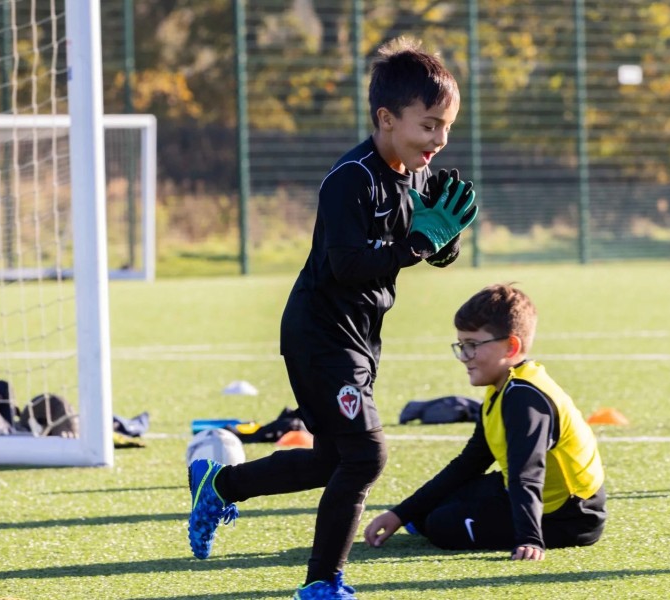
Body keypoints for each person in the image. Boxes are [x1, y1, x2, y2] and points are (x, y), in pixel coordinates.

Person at [186, 38, 478, 600]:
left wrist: (443, 241)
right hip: (319, 333)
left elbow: (424, 246)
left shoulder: (416, 175)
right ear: (387, 119)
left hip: (360, 336)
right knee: (366, 456)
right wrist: (419, 244)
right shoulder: (351, 180)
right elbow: (350, 267)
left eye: (447, 127)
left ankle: (219, 485)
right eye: (429, 125)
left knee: (331, 460)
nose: (439, 140)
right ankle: (322, 583)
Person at [363, 284, 607, 561]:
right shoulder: (500, 389)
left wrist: (529, 539)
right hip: (529, 495)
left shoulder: (524, 398)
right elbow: (469, 463)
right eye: (461, 346)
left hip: (570, 516)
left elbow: (526, 474)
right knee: (426, 513)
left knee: (440, 526)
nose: (464, 357)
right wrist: (400, 513)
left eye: (473, 346)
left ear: (511, 346)